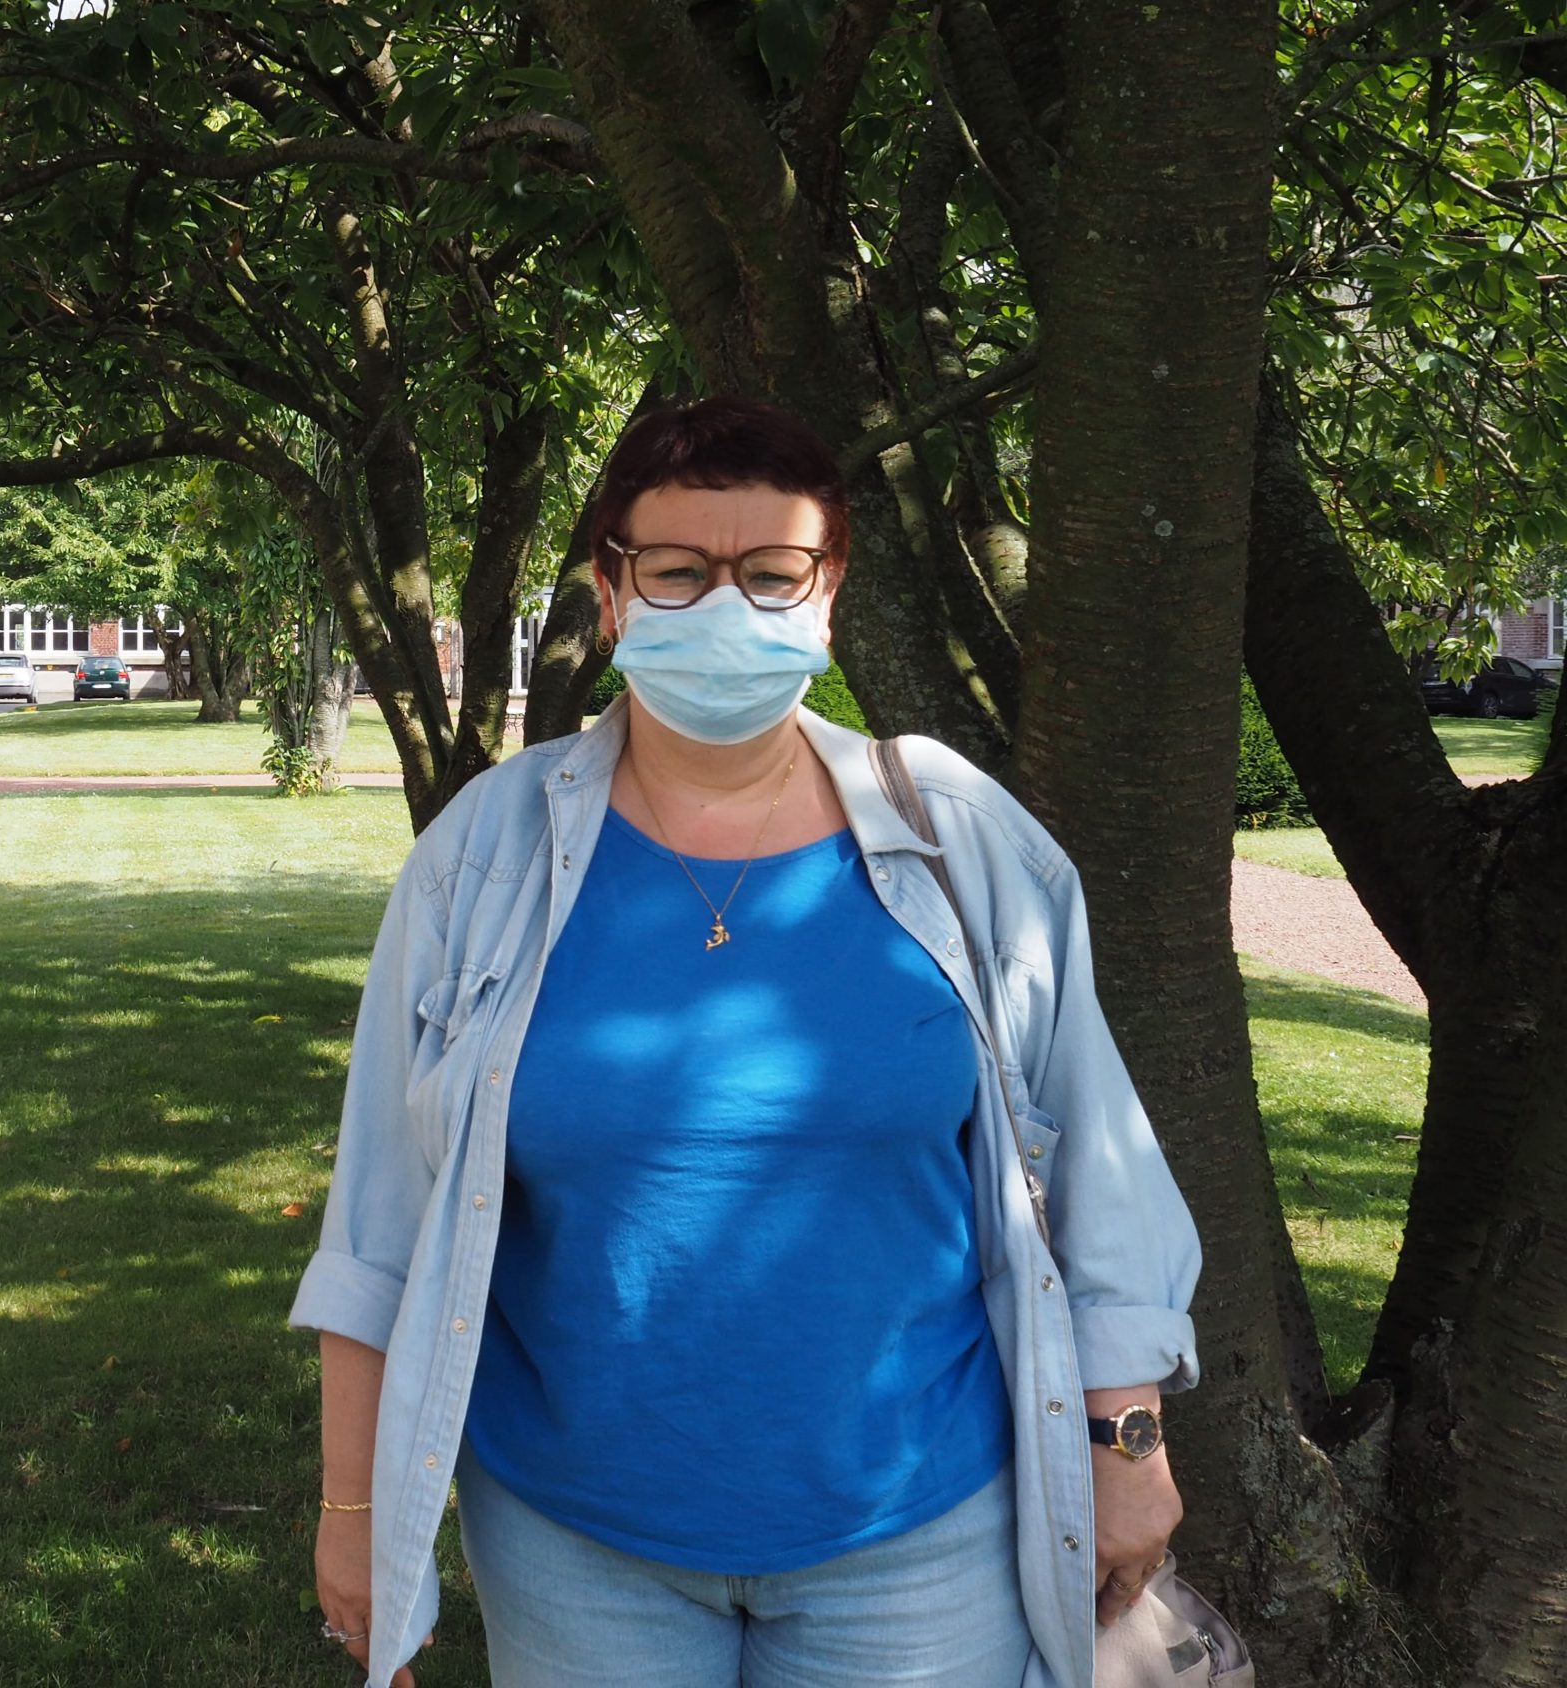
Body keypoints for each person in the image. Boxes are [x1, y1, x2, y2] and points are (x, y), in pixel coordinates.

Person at [290, 397, 1199, 1688]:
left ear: (826, 597)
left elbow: (1098, 1163)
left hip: (921, 1538)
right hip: (578, 1547)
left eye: (771, 575)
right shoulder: (481, 862)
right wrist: (355, 1516)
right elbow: (379, 1224)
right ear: (613, 594)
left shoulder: (960, 837)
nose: (728, 607)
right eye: (678, 571)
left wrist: (1130, 1448)